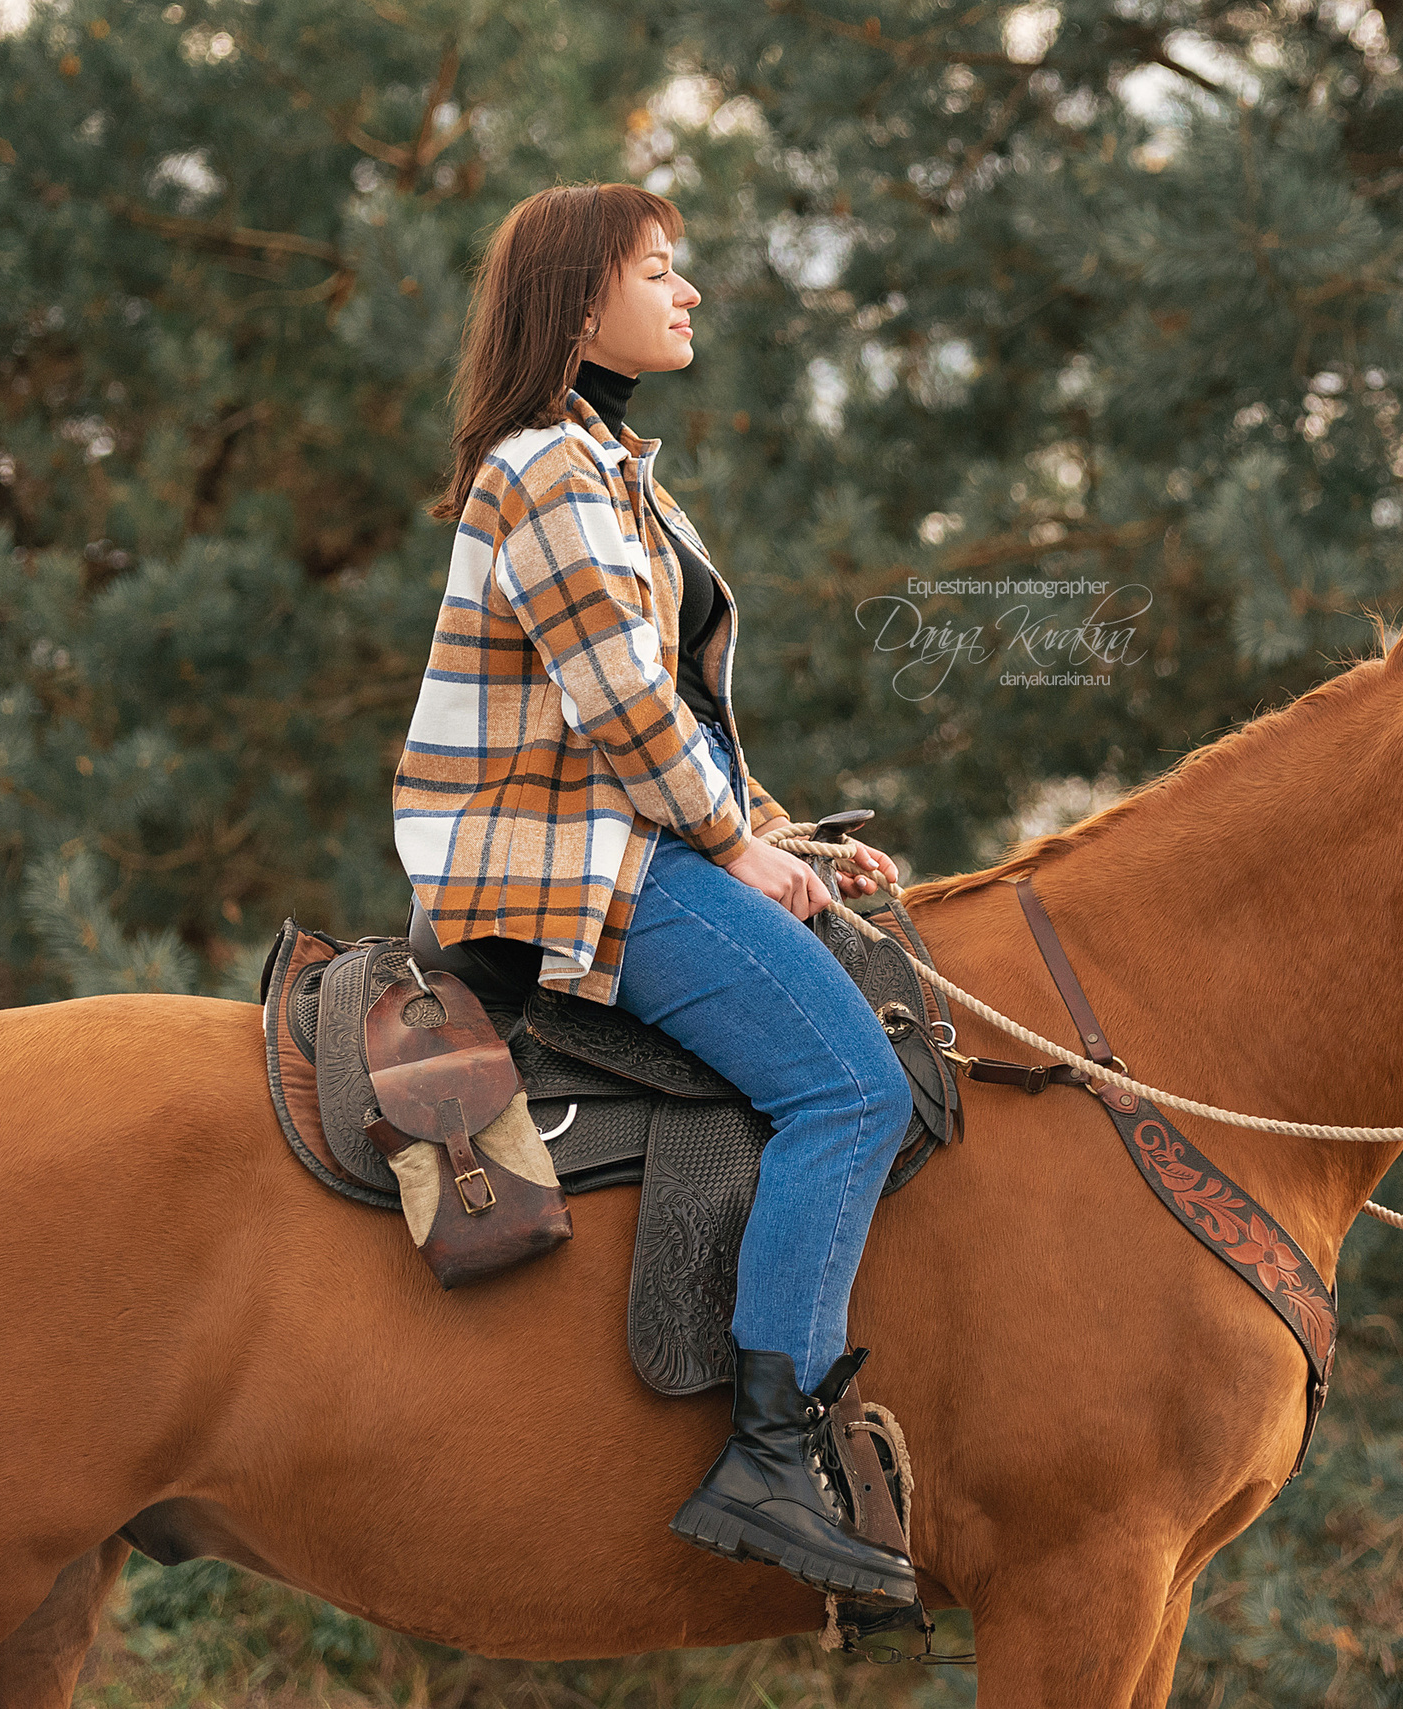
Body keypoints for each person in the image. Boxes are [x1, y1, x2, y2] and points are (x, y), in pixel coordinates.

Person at [394, 183, 917, 1607]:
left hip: (624, 838)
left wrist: (772, 827)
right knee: (853, 1089)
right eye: (662, 270)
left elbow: (668, 708)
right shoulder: (546, 468)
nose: (688, 294)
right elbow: (618, 695)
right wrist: (731, 847)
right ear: (577, 305)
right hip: (557, 861)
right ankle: (770, 1451)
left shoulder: (615, 468)